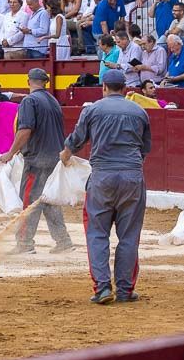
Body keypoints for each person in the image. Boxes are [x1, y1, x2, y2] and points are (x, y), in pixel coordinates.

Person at [60, 69, 151, 305]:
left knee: (97, 233)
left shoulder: (92, 110)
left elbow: (77, 140)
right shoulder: (139, 111)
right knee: (129, 236)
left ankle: (102, 288)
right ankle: (124, 290)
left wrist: (66, 154)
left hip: (102, 178)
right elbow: (144, 149)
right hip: (132, 177)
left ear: (103, 88)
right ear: (125, 89)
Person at [0, 68, 74, 254]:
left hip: (37, 159)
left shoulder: (30, 101)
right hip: (54, 157)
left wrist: (11, 153)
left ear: (28, 81)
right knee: (48, 200)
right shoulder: (52, 100)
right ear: (45, 82)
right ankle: (63, 241)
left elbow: (25, 130)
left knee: (29, 201)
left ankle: (24, 244)